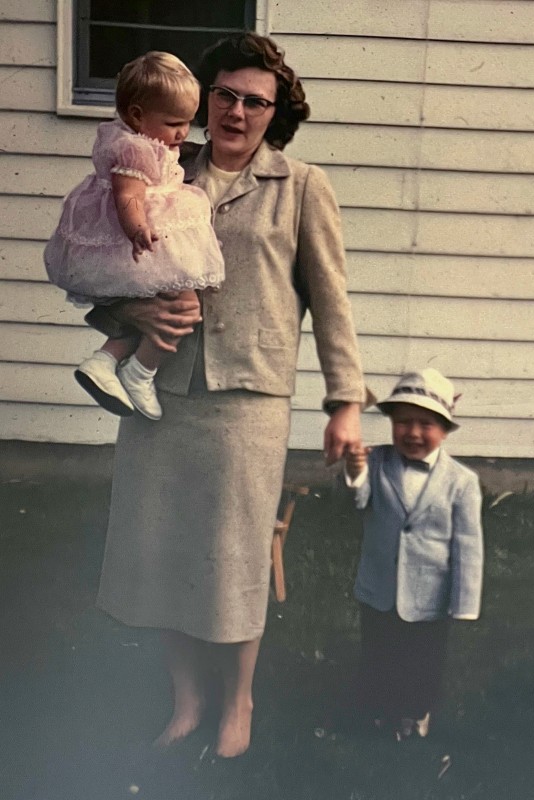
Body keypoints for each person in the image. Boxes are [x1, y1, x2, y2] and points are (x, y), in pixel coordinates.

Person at [90, 32, 366, 757]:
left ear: (277, 112)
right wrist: (131, 315)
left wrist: (345, 401)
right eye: (224, 95)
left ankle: (236, 701)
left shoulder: (301, 186)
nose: (236, 111)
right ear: (204, 97)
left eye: (255, 101)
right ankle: (186, 699)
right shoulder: (157, 168)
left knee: (233, 560)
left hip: (248, 399)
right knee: (161, 551)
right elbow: (96, 267)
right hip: (160, 391)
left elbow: (330, 301)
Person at [44, 52, 224, 420]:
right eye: (174, 123)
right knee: (186, 306)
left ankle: (105, 360)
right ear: (138, 115)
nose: (182, 134)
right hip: (145, 234)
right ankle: (140, 371)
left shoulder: (138, 138)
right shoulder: (133, 148)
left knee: (168, 308)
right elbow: (127, 196)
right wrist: (137, 228)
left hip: (149, 234)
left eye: (188, 123)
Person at [344, 368, 484, 740]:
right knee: (379, 651)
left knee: (422, 659)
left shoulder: (461, 482)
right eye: (404, 422)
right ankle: (377, 711)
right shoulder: (376, 463)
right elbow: (354, 506)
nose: (414, 433)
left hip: (429, 595)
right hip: (380, 587)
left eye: (426, 424)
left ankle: (415, 713)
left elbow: (468, 547)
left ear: (445, 429)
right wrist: (355, 474)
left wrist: (464, 603)